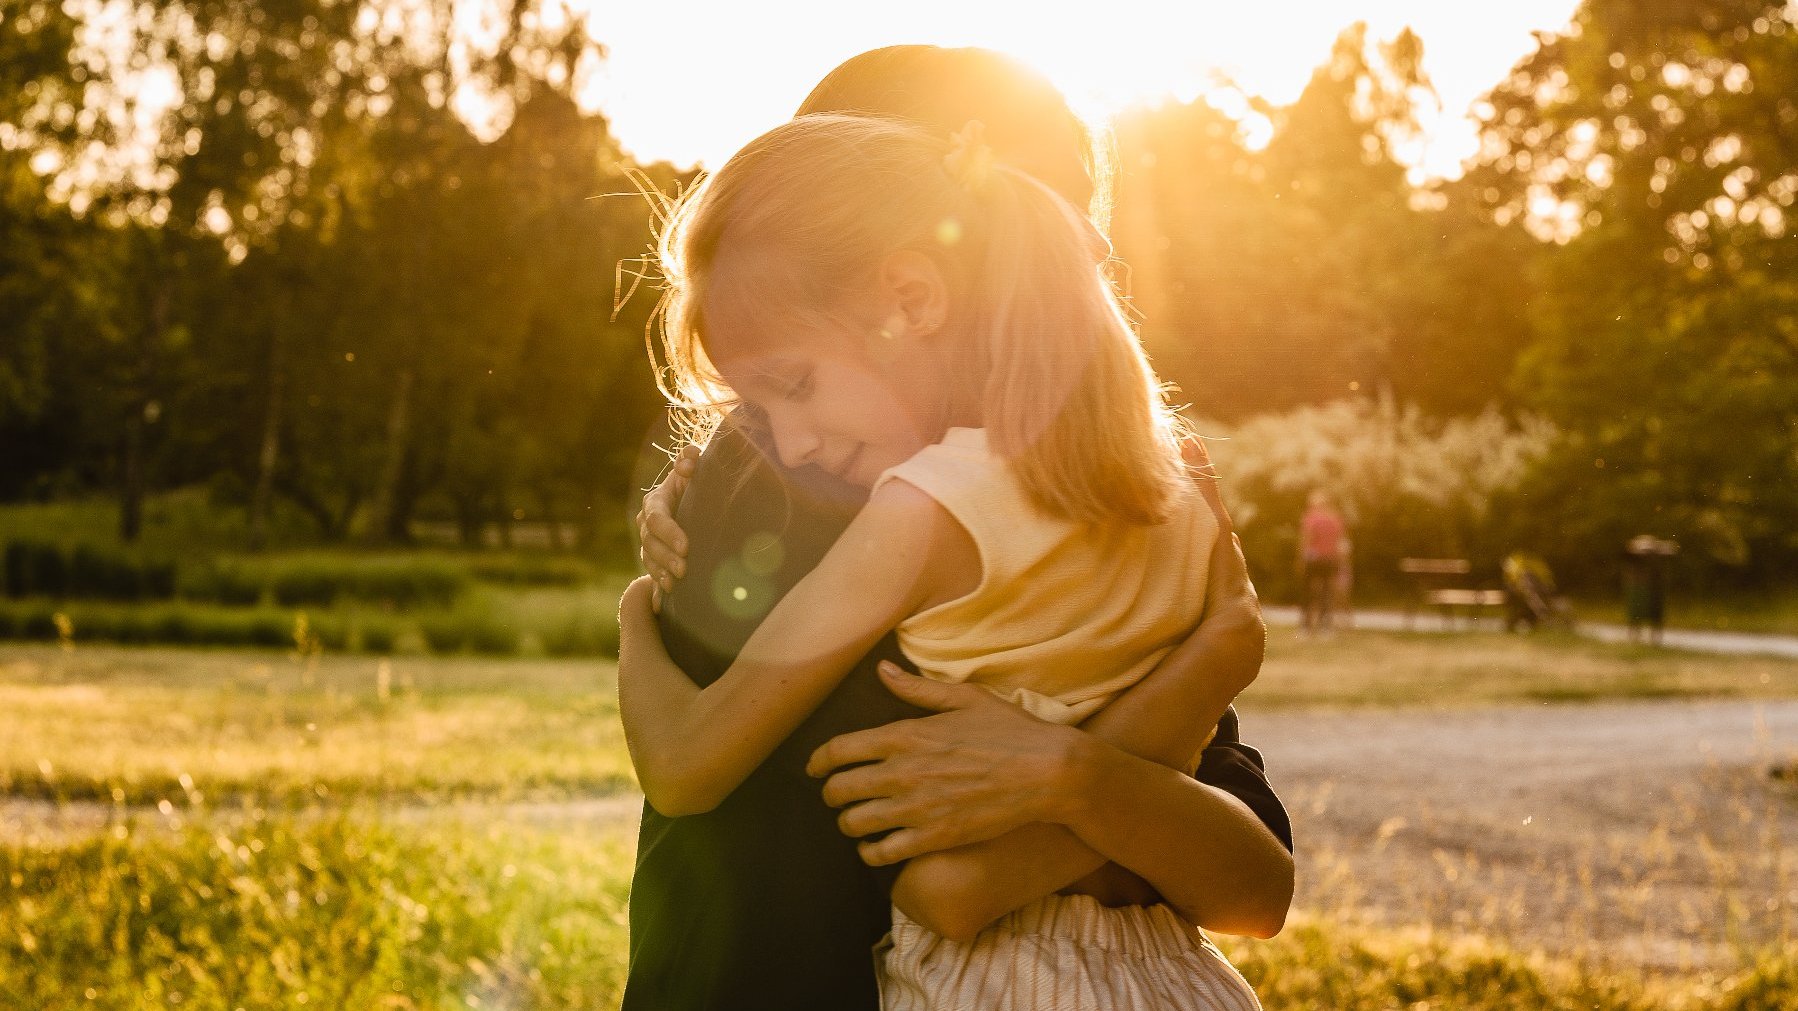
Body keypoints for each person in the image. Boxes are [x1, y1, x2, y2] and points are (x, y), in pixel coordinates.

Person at [620, 47, 1292, 1011]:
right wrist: (1198, 677)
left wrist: (1082, 772)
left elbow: (1250, 866)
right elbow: (938, 879)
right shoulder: (810, 477)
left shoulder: (1114, 482)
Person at [1297, 490, 1347, 637]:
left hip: (1313, 559)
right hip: (1330, 559)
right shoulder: (1336, 519)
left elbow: (1306, 539)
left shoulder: (1311, 518)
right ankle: (1325, 627)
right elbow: (1340, 542)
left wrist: (1300, 558)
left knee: (1308, 593)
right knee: (1327, 594)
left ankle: (1305, 627)